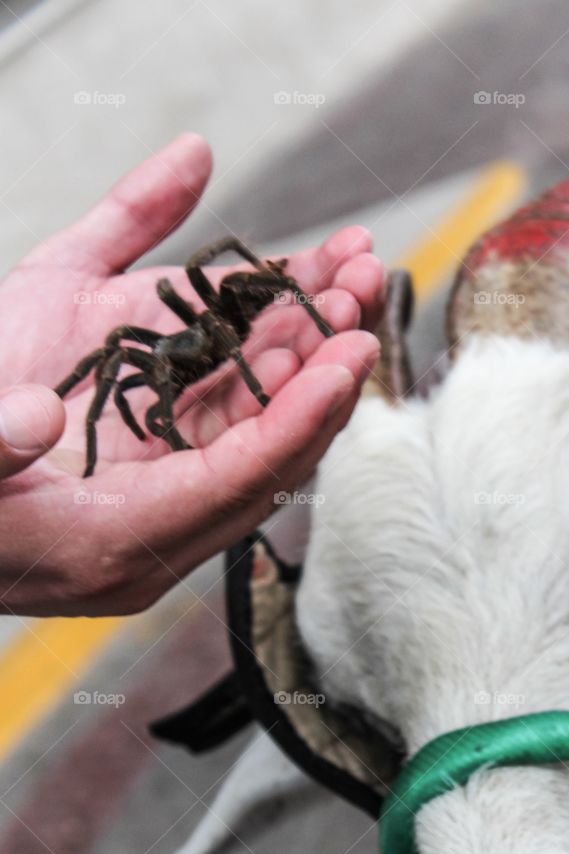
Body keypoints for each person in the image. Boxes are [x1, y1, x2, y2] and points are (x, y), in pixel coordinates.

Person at [0, 133, 383, 616]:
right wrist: (52, 403)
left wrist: (273, 354)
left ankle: (319, 325)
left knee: (210, 273)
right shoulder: (161, 358)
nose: (155, 375)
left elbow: (210, 258)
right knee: (116, 346)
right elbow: (129, 360)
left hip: (233, 318)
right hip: (202, 341)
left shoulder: (225, 319)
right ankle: (73, 421)